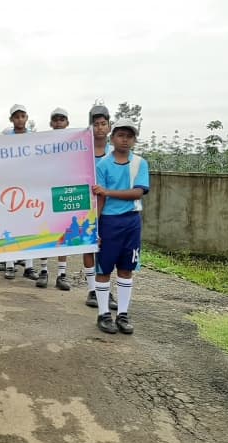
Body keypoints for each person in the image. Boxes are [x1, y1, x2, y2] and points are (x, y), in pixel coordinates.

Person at [93, 118, 149, 334]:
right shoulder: (103, 165)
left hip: (131, 222)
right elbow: (99, 199)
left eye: (129, 136)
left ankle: (123, 315)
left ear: (134, 140)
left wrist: (108, 192)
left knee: (127, 269)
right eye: (121, 135)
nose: (125, 140)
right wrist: (95, 228)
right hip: (109, 222)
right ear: (113, 137)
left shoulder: (140, 163)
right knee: (104, 268)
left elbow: (138, 192)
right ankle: (103, 314)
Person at [84, 104, 117, 310]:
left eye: (103, 124)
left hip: (109, 206)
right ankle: (92, 290)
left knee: (106, 248)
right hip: (86, 204)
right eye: (96, 124)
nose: (100, 128)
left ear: (109, 126)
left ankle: (104, 289)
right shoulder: (83, 150)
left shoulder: (114, 152)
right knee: (88, 244)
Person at [35, 108, 72, 290]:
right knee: (45, 234)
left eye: (62, 119)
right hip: (46, 194)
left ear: (67, 123)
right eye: (55, 120)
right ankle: (43, 271)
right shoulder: (43, 143)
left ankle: (61, 274)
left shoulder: (75, 143)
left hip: (64, 194)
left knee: (63, 235)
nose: (58, 123)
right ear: (51, 123)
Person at [1, 104, 38, 281]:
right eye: (16, 116)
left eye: (22, 116)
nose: (20, 119)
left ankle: (29, 266)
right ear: (11, 119)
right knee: (10, 225)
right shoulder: (5, 138)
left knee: (30, 225)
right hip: (10, 187)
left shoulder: (34, 138)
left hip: (29, 186)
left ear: (26, 117)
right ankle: (9, 265)